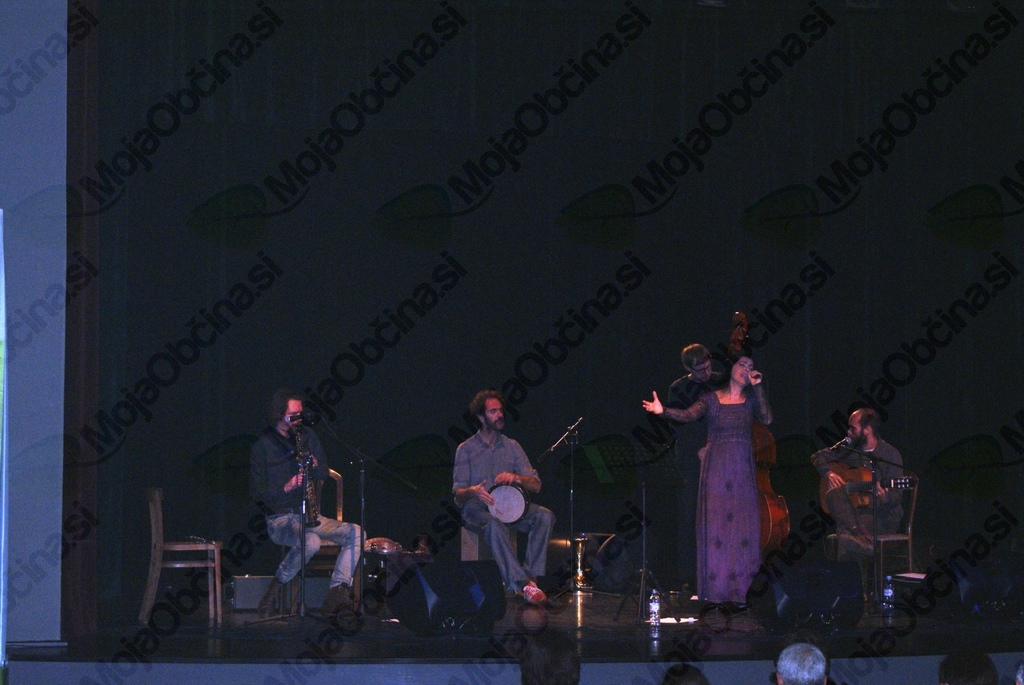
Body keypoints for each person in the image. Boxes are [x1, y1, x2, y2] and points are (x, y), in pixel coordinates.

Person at [643, 355, 772, 604]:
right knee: (716, 528)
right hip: (716, 468)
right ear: (731, 368)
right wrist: (662, 411)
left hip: (741, 468)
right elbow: (688, 415)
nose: (746, 368)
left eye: (750, 366)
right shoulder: (711, 398)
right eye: (742, 364)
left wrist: (758, 387)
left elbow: (766, 419)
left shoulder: (750, 400)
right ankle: (716, 590)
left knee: (742, 528)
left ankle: (743, 591)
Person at [250, 389, 362, 618]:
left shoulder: (308, 437)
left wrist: (314, 463)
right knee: (310, 542)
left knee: (357, 532)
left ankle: (336, 594)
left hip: (311, 515)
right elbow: (257, 493)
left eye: (300, 414)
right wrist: (287, 486)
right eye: (293, 415)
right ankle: (276, 587)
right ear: (279, 414)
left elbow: (323, 472)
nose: (298, 419)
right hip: (280, 518)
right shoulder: (262, 447)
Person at [453, 389, 555, 604]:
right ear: (481, 417)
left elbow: (536, 485)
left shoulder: (512, 446)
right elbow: (458, 495)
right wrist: (473, 491)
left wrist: (517, 477)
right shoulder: (466, 449)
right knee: (493, 524)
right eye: (493, 411)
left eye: (500, 411)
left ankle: (531, 579)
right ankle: (521, 583)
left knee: (544, 516)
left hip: (509, 507)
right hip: (477, 507)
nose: (499, 415)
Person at [811, 408, 904, 558]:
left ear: (867, 430)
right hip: (857, 514)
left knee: (843, 529)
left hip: (882, 517)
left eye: (852, 428)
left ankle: (858, 547)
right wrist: (829, 473)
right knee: (832, 494)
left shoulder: (890, 454)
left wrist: (884, 498)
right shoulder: (849, 450)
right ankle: (864, 543)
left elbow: (897, 496)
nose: (848, 432)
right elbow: (817, 457)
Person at [665, 343, 719, 594]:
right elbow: (680, 422)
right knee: (689, 517)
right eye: (700, 371)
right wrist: (699, 447)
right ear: (688, 368)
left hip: (720, 456)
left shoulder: (720, 381)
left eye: (708, 368)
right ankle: (688, 576)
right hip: (690, 458)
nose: (706, 374)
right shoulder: (678, 387)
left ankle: (718, 572)